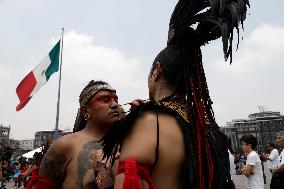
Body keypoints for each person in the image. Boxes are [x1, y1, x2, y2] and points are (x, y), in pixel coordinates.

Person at [103, 0, 250, 188]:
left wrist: (104, 168)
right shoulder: (209, 128)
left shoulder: (149, 121)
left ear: (156, 71)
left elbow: (129, 182)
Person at [34, 80, 122, 189]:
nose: (114, 104)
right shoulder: (65, 145)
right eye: (105, 100)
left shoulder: (128, 141)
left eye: (116, 100)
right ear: (85, 111)